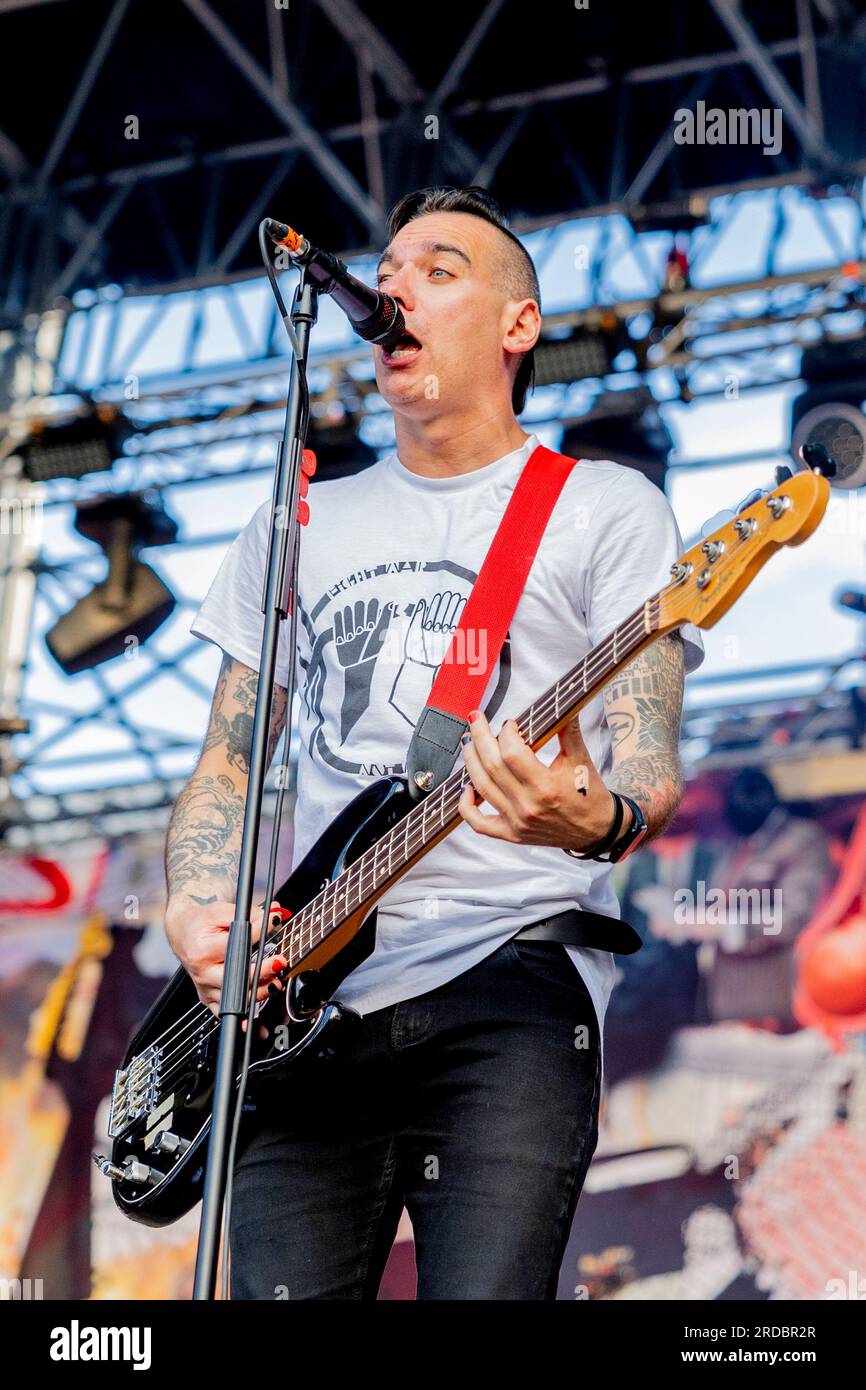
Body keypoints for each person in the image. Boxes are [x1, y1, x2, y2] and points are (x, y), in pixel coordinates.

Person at [164, 185, 705, 1300]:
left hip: (506, 984)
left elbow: (646, 756)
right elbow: (229, 755)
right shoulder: (294, 522)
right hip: (300, 1010)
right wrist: (191, 899)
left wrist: (596, 818)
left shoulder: (602, 506)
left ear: (518, 324)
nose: (395, 285)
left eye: (440, 268)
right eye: (389, 267)